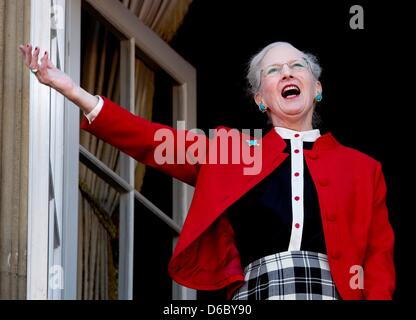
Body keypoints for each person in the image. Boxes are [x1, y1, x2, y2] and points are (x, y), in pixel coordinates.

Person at [19, 41, 395, 300]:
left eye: (297, 66)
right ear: (261, 99)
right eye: (274, 70)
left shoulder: (363, 169)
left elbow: (377, 261)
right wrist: (73, 91)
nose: (287, 73)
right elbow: (152, 141)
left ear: (317, 88)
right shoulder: (233, 151)